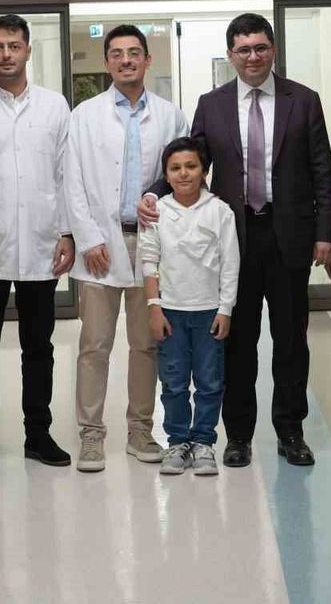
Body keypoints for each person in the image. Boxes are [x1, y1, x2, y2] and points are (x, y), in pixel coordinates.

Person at [139, 13, 331, 468]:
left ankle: (291, 430)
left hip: (289, 235)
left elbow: (322, 171)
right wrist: (154, 192)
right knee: (236, 342)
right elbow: (190, 161)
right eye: (244, 49)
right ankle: (239, 436)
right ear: (231, 54)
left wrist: (326, 233)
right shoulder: (212, 105)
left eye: (260, 47)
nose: (253, 56)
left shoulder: (303, 100)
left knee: (291, 340)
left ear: (273, 50)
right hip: (234, 239)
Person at [0, 14, 75, 476]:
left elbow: (65, 173)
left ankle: (38, 434)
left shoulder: (54, 106)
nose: (6, 54)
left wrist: (67, 232)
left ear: (27, 50)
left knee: (38, 348)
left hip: (41, 246)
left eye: (14, 46)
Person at [64, 24, 188, 472]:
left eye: (134, 52)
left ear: (147, 60)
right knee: (94, 345)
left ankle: (140, 429)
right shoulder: (85, 115)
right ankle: (91, 435)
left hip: (150, 243)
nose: (125, 60)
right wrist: (88, 237)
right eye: (116, 54)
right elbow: (72, 179)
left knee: (146, 344)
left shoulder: (171, 116)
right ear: (107, 62)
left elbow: (182, 175)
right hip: (100, 243)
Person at [140, 137, 240, 476]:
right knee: (173, 381)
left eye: (191, 166)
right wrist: (154, 307)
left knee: (210, 381)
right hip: (170, 312)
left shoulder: (219, 211)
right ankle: (177, 442)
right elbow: (149, 262)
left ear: (204, 171)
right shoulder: (157, 212)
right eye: (175, 168)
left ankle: (203, 442)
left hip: (209, 311)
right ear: (166, 175)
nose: (183, 173)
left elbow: (230, 264)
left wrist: (225, 309)